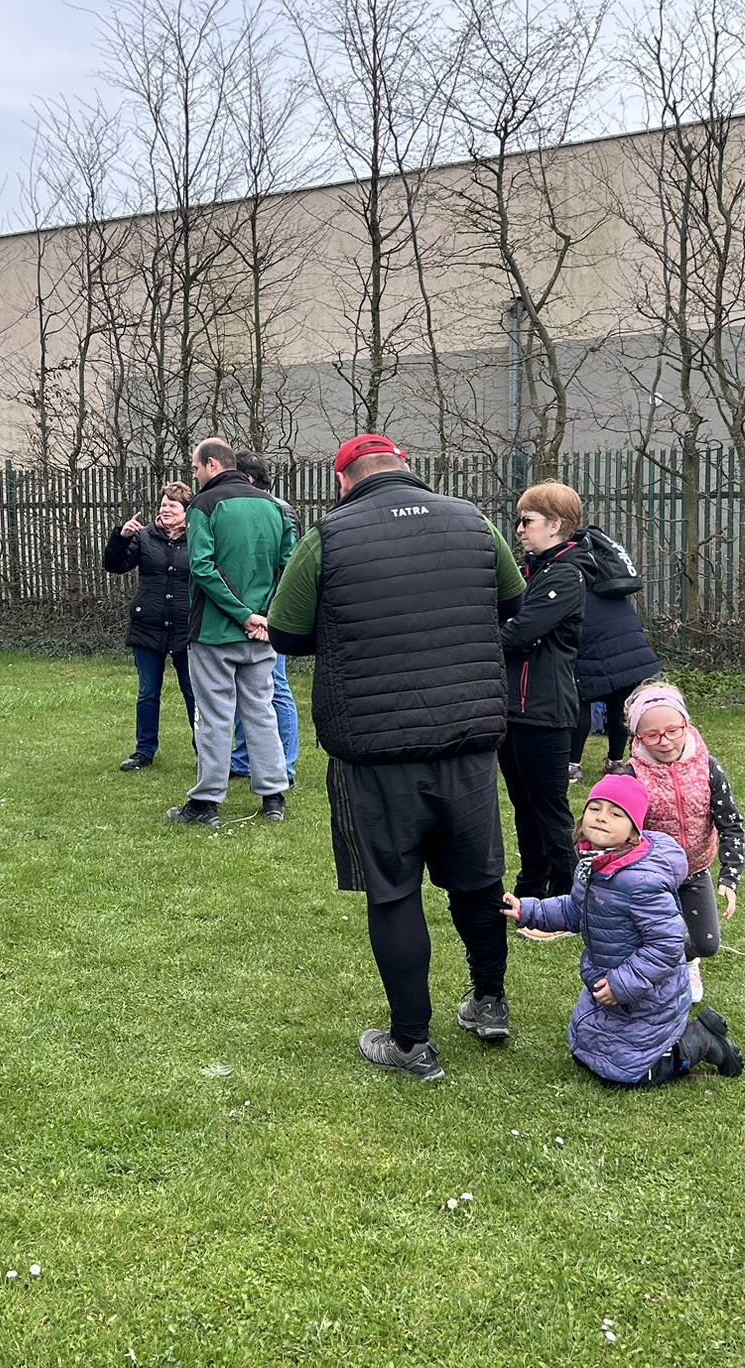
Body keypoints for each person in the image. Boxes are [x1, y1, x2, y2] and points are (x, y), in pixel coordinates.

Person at [265, 432, 527, 1081]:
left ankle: (412, 1041)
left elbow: (286, 632)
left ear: (343, 480)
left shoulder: (329, 537)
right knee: (477, 880)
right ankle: (489, 1002)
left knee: (393, 891)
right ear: (406, 468)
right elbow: (513, 601)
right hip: (467, 740)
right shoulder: (473, 521)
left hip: (375, 750)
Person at [504, 774, 742, 1086]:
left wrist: (622, 984)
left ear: (634, 829)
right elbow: (575, 909)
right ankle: (662, 1040)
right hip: (606, 983)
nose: (602, 817)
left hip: (647, 993)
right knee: (586, 1055)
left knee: (629, 1076)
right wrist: (528, 910)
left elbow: (666, 945)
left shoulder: (641, 882)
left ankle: (701, 1040)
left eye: (616, 813)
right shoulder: (592, 864)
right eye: (595, 808)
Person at [167, 438, 294, 830]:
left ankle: (206, 803)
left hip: (214, 632)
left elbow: (202, 568)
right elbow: (289, 568)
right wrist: (266, 616)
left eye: (195, 468)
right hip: (262, 633)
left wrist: (242, 615)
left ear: (211, 464)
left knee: (214, 716)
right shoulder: (275, 507)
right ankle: (273, 796)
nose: (194, 475)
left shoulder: (203, 505)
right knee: (261, 711)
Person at [500, 481, 596, 929]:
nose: (519, 529)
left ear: (556, 525)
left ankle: (568, 900)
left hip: (545, 709)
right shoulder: (535, 570)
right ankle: (531, 888)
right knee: (524, 805)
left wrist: (490, 636)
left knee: (549, 808)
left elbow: (519, 632)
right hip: (515, 707)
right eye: (519, 520)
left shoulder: (565, 574)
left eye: (527, 521)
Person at [624, 679, 745, 1000]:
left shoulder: (708, 768)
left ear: (686, 725)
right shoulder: (630, 776)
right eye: (652, 735)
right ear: (637, 736)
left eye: (673, 731)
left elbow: (731, 824)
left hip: (694, 871)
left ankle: (686, 959)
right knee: (650, 939)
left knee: (707, 943)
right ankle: (655, 976)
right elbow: (613, 830)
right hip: (650, 876)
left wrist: (729, 878)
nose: (664, 741)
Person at [103, 481, 197, 772]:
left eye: (172, 505)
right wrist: (121, 538)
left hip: (185, 627)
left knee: (193, 693)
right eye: (163, 504)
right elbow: (114, 565)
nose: (165, 509)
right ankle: (144, 751)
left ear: (186, 511)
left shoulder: (198, 537)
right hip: (148, 625)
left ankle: (205, 750)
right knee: (148, 693)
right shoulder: (144, 537)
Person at [227, 449, 300, 787]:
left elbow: (287, 568)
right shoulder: (257, 508)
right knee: (247, 687)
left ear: (248, 479)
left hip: (270, 615)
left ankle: (284, 764)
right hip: (249, 611)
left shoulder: (278, 510)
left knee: (276, 687)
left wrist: (270, 615)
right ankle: (244, 759)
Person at [568, 523, 660, 782]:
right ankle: (616, 763)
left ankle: (572, 766)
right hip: (627, 642)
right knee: (619, 702)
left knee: (581, 698)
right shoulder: (604, 571)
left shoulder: (567, 566)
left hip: (593, 643)